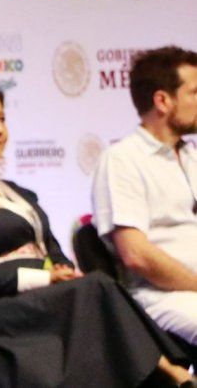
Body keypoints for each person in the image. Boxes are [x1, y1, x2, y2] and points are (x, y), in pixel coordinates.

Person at [0, 82, 193, 387]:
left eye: (2, 118)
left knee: (89, 290)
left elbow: (50, 248)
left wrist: (62, 269)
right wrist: (43, 278)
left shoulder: (17, 194)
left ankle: (164, 373)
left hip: (42, 304)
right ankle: (170, 372)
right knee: (95, 288)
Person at [92, 46, 197, 346]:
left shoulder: (191, 156)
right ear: (162, 101)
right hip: (163, 296)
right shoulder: (122, 160)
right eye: (194, 93)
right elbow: (136, 255)